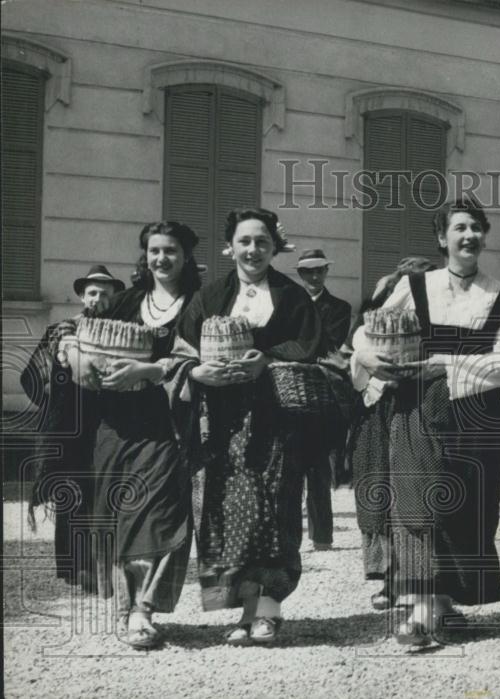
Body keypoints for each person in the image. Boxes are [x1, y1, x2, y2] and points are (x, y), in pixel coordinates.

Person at [352, 197, 500, 646]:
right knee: (418, 503)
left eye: (476, 228)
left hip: (476, 416)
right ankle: (422, 610)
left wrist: (444, 364)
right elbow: (370, 327)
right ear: (442, 238)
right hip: (418, 410)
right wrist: (367, 355)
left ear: (485, 236)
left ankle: (444, 603)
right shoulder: (416, 285)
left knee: (466, 510)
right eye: (459, 228)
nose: (469, 236)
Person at [174, 207, 323, 645]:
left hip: (275, 417)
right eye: (244, 241)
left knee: (272, 512)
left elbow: (310, 346)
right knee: (221, 511)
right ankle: (240, 613)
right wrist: (201, 372)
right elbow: (184, 348)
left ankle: (269, 612)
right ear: (230, 247)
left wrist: (270, 359)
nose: (253, 250)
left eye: (262, 241)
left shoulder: (292, 297)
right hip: (219, 421)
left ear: (274, 247)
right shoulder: (209, 295)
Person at [66, 223, 202, 649]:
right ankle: (125, 608)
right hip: (113, 424)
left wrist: (150, 370)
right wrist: (72, 351)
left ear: (185, 256)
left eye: (171, 251)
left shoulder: (197, 305)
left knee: (159, 513)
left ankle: (144, 609)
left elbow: (200, 358)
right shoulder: (125, 301)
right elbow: (76, 331)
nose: (162, 259)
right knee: (117, 514)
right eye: (154, 251)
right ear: (145, 256)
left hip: (164, 426)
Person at [23, 265, 124, 591]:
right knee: (73, 495)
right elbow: (30, 376)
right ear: (82, 296)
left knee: (108, 495)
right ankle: (78, 570)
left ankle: (105, 570)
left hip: (111, 425)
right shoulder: (62, 330)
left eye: (106, 293)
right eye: (93, 292)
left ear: (115, 297)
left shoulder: (122, 334)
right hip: (72, 427)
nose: (99, 298)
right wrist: (54, 407)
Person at [347, 256, 437, 611]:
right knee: (378, 487)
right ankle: (387, 577)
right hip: (378, 409)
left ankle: (417, 578)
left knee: (414, 491)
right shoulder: (375, 322)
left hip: (418, 401)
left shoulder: (436, 318)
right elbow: (358, 350)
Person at [296, 248, 353, 552]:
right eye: (308, 272)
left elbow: (328, 342)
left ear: (326, 272)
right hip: (290, 390)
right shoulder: (288, 302)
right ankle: (289, 535)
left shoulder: (339, 307)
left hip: (321, 393)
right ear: (300, 274)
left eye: (319, 270)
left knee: (318, 466)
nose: (314, 276)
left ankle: (321, 537)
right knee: (288, 468)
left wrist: (296, 348)